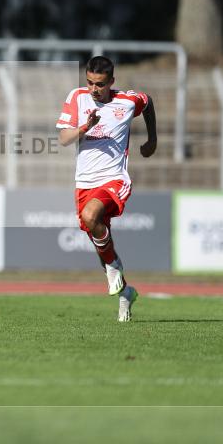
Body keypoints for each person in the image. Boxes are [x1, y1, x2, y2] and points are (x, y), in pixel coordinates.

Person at [56, 56, 156, 322]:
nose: (93, 89)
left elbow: (148, 103)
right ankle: (125, 293)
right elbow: (64, 139)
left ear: (111, 82)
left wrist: (152, 140)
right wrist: (85, 127)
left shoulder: (127, 100)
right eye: (89, 82)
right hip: (84, 183)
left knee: (91, 217)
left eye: (99, 84)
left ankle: (114, 268)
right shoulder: (77, 97)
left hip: (114, 179)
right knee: (97, 234)